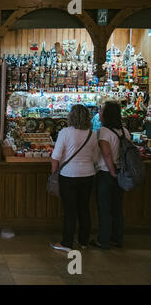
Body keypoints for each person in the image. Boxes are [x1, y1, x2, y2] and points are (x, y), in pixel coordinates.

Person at [50, 105, 99, 252]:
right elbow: (96, 158)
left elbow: (55, 157)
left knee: (69, 210)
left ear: (71, 116)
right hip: (88, 175)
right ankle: (83, 241)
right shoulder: (92, 134)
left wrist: (54, 175)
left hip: (69, 175)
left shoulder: (65, 132)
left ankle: (67, 243)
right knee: (84, 208)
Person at [92, 101, 131, 249]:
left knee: (104, 208)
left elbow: (107, 155)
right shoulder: (125, 131)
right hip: (122, 173)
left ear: (107, 114)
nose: (99, 113)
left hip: (107, 173)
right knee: (117, 208)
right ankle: (117, 238)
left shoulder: (104, 132)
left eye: (101, 111)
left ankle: (103, 240)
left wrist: (113, 172)